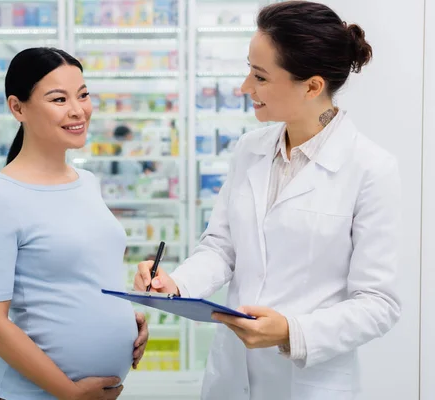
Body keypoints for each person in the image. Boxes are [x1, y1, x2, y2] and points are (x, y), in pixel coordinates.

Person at [134, 2, 401, 400]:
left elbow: (379, 303)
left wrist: (292, 331)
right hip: (231, 378)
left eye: (259, 76)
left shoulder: (371, 168)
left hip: (309, 383)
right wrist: (177, 283)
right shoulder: (249, 149)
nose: (244, 88)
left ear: (311, 86)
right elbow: (222, 248)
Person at [0, 47, 149, 400]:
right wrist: (69, 393)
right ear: (17, 107)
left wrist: (125, 321)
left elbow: (82, 275)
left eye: (83, 95)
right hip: (24, 392)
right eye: (59, 99)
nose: (78, 110)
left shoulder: (88, 181)